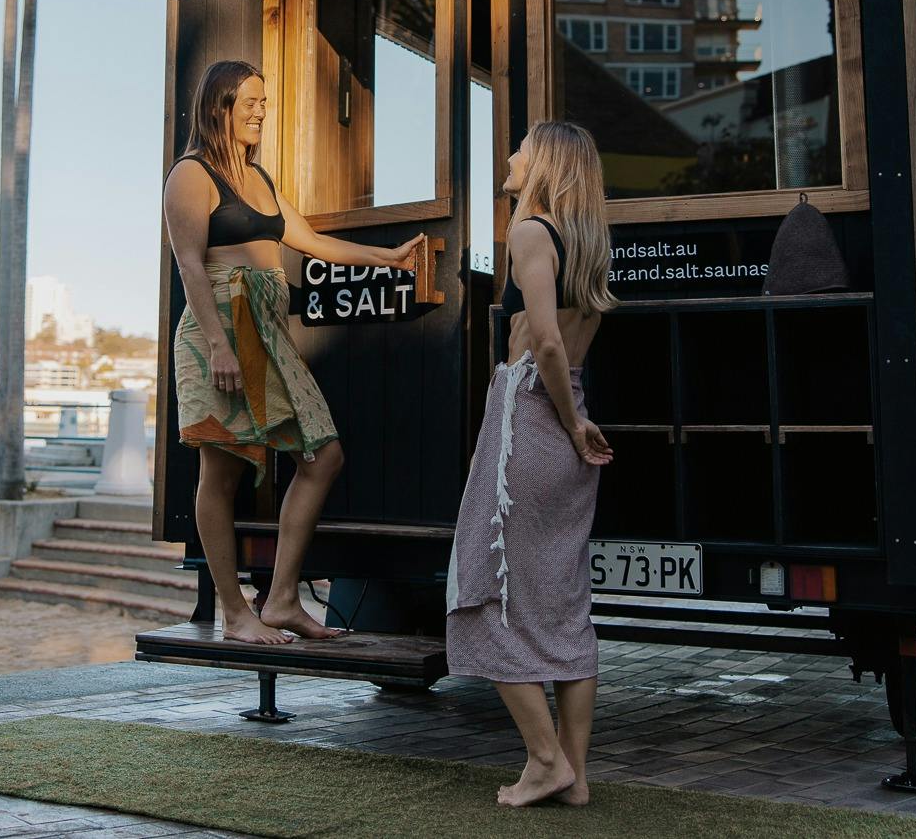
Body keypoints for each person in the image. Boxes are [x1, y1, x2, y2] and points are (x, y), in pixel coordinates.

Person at [164, 59, 423, 645]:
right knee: (221, 469)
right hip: (221, 330)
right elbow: (188, 264)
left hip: (268, 332)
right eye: (251, 101)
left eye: (264, 101)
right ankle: (234, 612)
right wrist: (216, 344)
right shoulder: (191, 174)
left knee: (323, 454)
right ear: (220, 105)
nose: (261, 111)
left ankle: (280, 599)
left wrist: (387, 258)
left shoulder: (260, 179)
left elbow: (310, 242)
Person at [446, 120, 618, 807]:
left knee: (477, 587)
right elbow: (567, 344)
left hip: (535, 417)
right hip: (571, 412)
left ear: (543, 162)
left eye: (520, 147)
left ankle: (545, 759)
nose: (511, 157)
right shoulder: (589, 243)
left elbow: (544, 340)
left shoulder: (530, 232)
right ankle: (572, 774)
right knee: (563, 603)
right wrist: (576, 417)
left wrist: (569, 423)